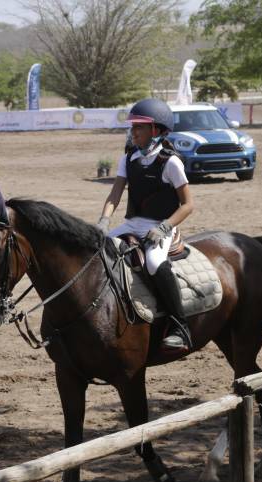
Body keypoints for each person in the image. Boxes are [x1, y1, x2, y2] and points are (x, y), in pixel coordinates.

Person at [97, 98, 195, 350]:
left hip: (162, 225)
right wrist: (104, 220)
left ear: (157, 130)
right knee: (98, 250)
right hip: (132, 223)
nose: (134, 132)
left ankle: (180, 326)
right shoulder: (128, 158)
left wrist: (163, 227)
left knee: (153, 262)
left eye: (139, 127)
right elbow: (115, 194)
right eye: (133, 127)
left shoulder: (170, 162)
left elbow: (187, 205)